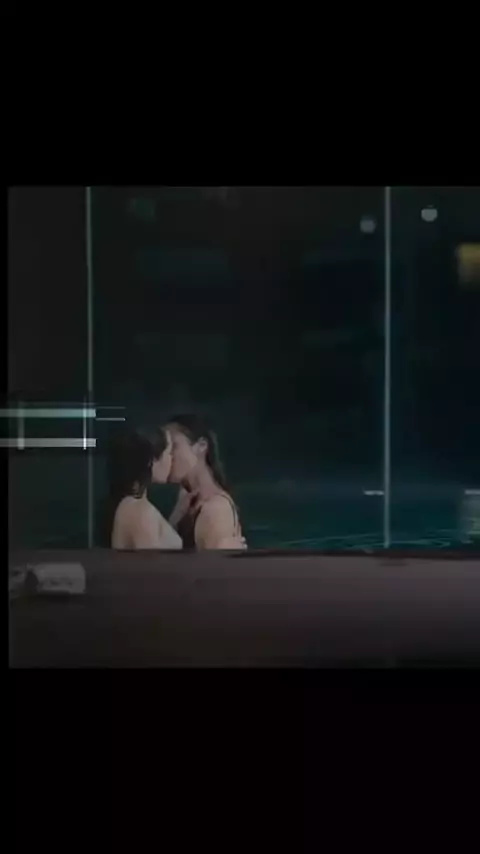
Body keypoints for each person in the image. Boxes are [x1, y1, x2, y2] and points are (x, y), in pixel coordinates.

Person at [166, 414, 246, 550]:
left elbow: (211, 565)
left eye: (174, 446)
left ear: (201, 446)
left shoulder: (216, 508)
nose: (167, 455)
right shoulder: (186, 500)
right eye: (165, 448)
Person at [106, 426, 182, 550]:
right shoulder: (142, 512)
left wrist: (179, 512)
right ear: (152, 460)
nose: (172, 459)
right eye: (169, 453)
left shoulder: (131, 505)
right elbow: (153, 562)